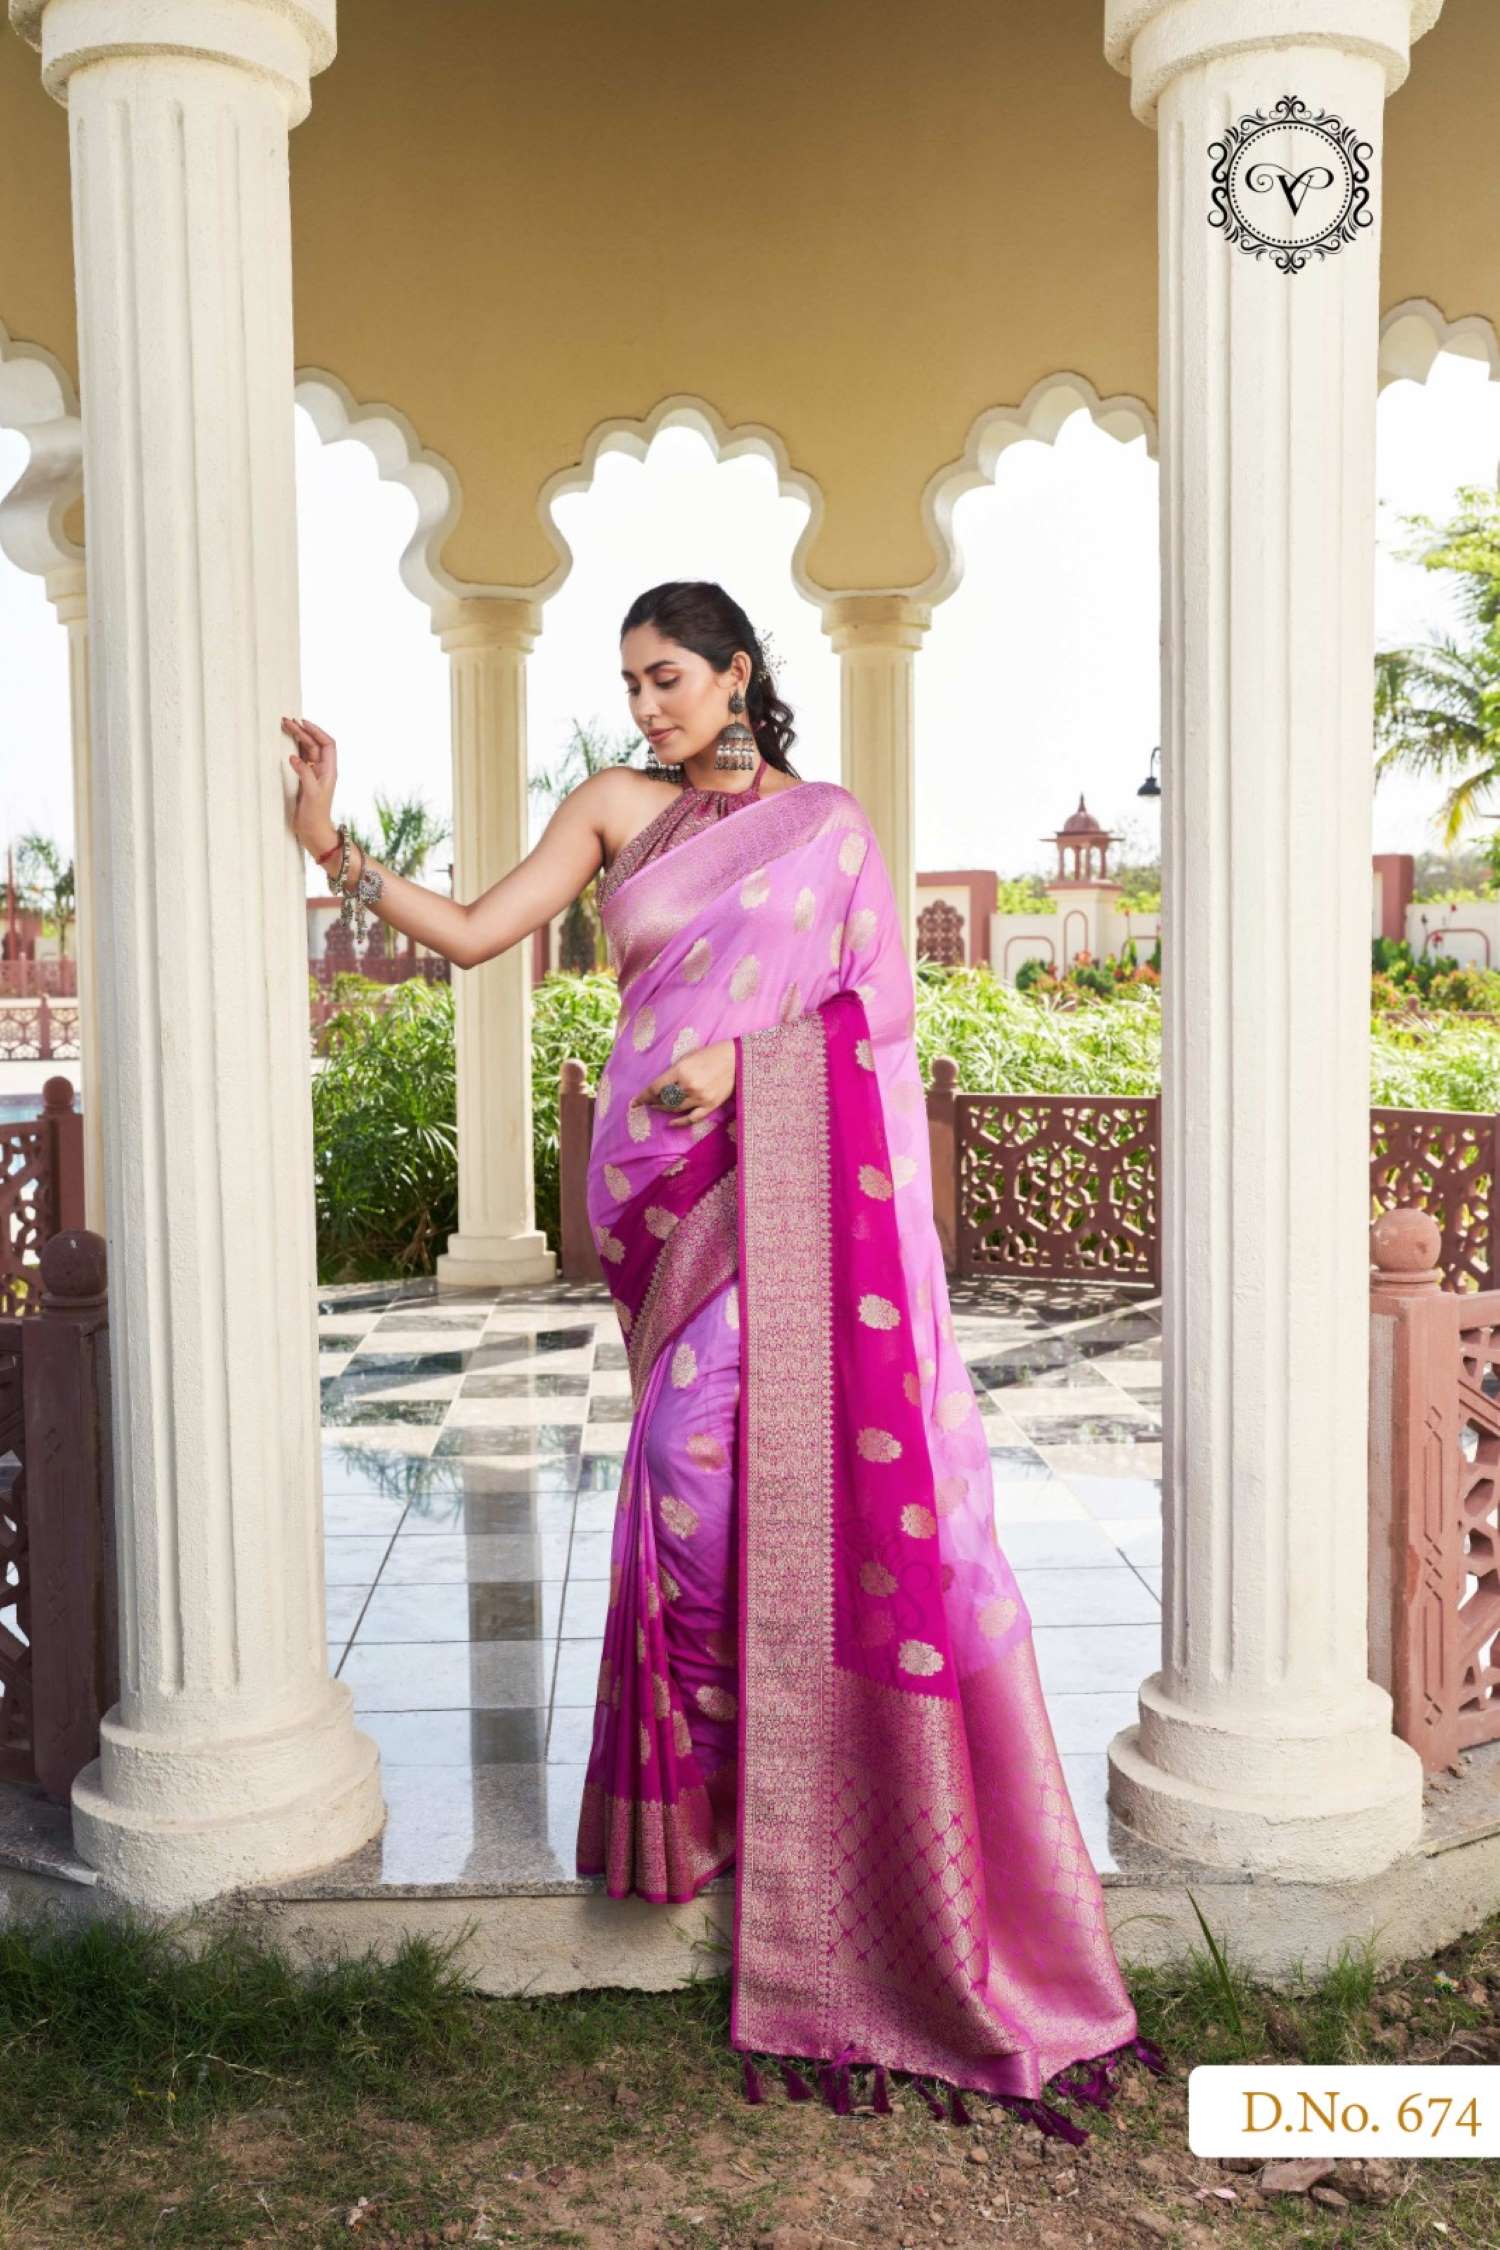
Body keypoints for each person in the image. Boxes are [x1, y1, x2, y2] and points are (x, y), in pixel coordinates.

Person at [285, 578, 1164, 2135]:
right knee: (690, 1492)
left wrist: (747, 1063)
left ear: (737, 670)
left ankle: (811, 1800)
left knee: (756, 1483)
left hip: (784, 1184)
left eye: (668, 676)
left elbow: (877, 1022)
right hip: (658, 1197)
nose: (646, 705)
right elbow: (482, 932)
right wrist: (335, 848)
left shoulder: (830, 829)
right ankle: (706, 1803)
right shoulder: (613, 806)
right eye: (631, 682)